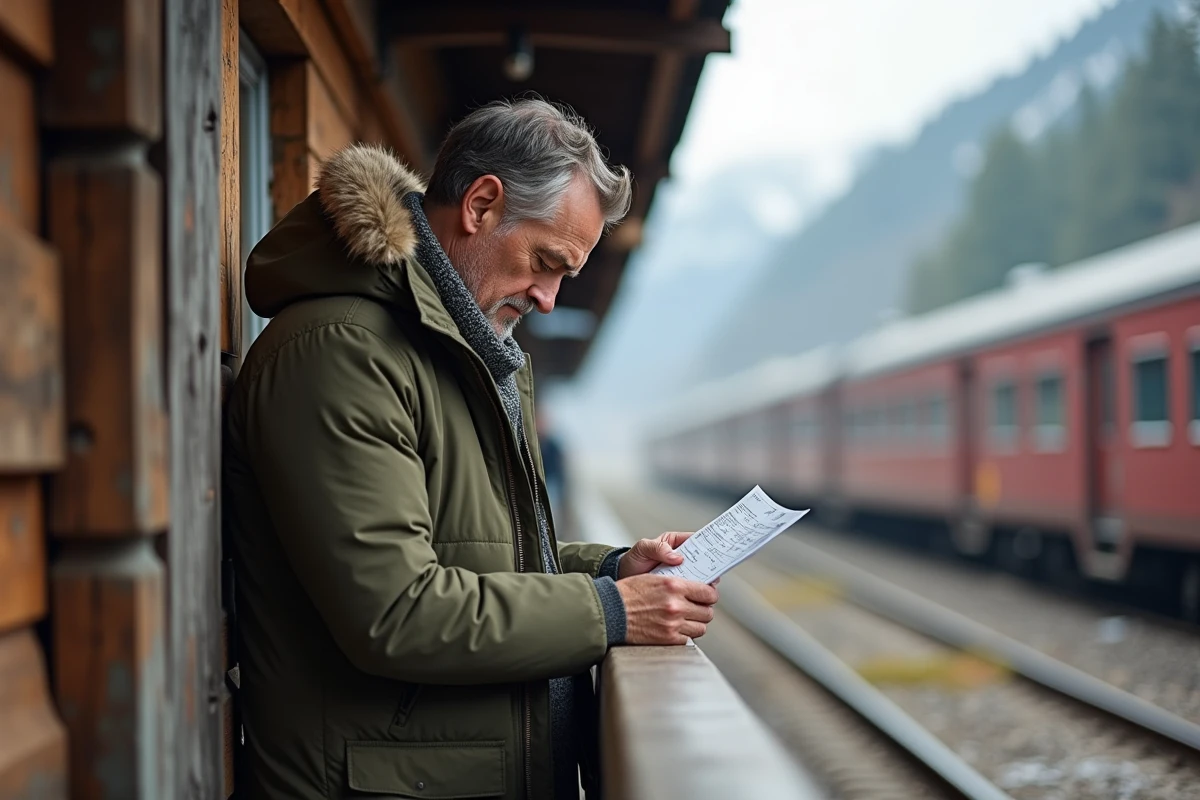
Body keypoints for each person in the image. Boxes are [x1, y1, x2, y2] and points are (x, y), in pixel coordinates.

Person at [223, 98, 721, 800]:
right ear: (482, 204)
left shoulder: (469, 352)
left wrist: (614, 566)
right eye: (546, 262)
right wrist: (612, 611)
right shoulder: (341, 352)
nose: (549, 299)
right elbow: (396, 611)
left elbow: (480, 554)